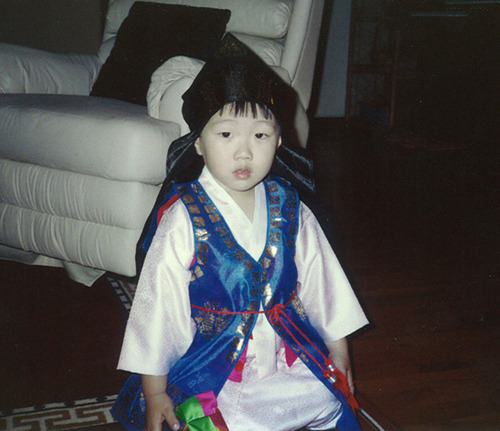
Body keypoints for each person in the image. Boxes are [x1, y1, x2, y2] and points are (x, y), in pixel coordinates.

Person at [112, 34, 368, 431]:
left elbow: (323, 282)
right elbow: (157, 308)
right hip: (218, 365)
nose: (244, 151)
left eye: (260, 135)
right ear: (198, 143)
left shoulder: (290, 207)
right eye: (226, 134)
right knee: (224, 418)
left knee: (326, 398)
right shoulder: (184, 218)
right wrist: (155, 391)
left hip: (285, 353)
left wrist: (338, 350)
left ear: (279, 141)